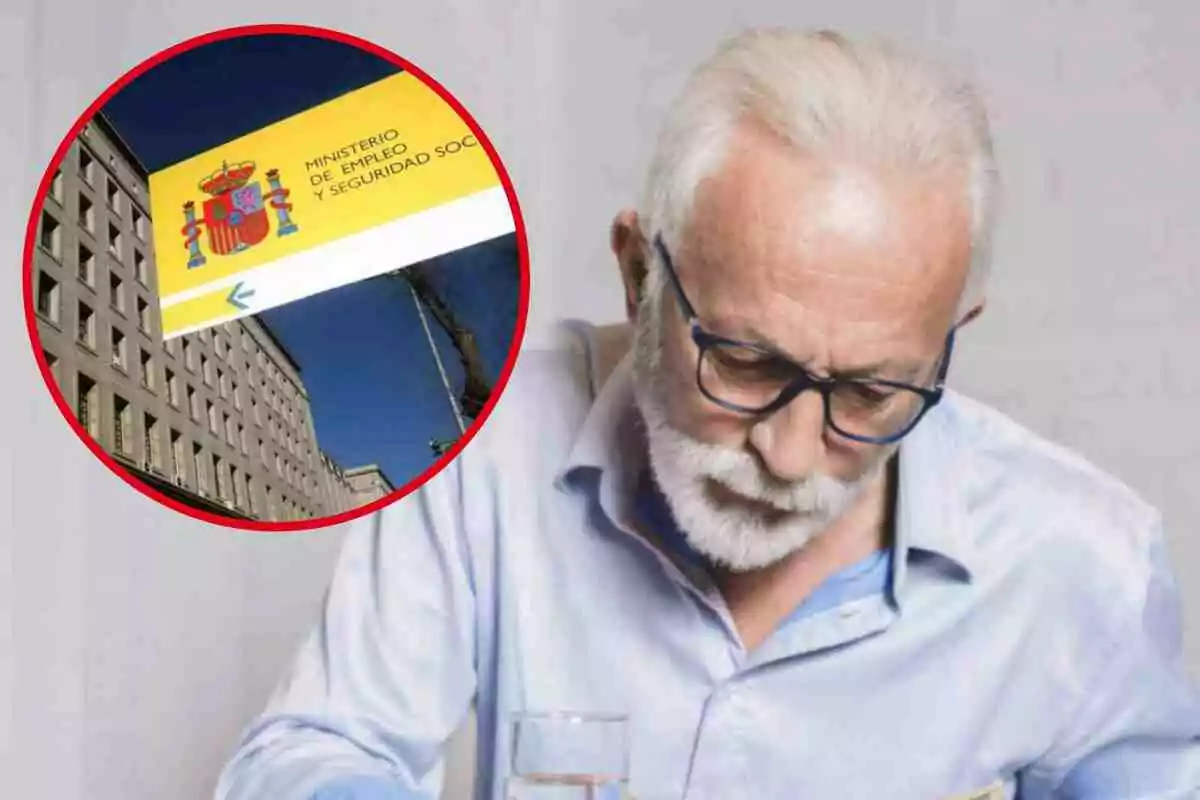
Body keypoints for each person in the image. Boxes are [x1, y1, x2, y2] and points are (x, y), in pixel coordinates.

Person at [215, 28, 1200, 800]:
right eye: (742, 358)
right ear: (640, 272)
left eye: (868, 390)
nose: (788, 449)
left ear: (950, 332)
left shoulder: (1085, 565)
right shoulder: (480, 442)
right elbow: (316, 747)